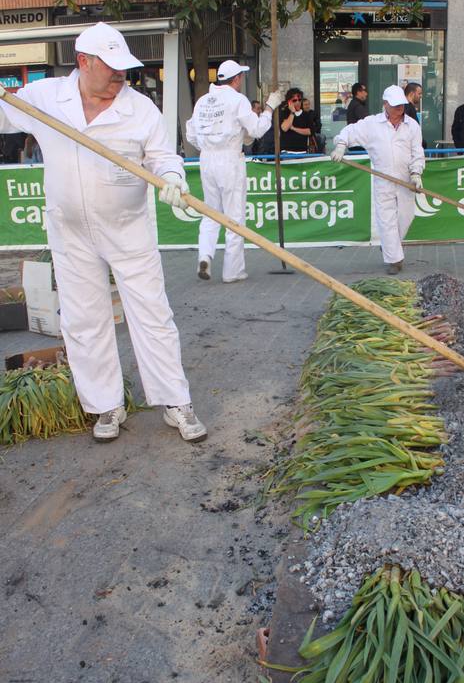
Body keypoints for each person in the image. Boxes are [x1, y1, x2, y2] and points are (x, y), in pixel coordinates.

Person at [0, 22, 206, 443]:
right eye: (111, 69)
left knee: (151, 312)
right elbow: (5, 114)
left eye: (124, 69)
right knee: (83, 318)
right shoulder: (46, 97)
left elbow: (163, 156)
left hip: (126, 228)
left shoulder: (139, 109)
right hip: (69, 228)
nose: (120, 77)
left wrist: (172, 179)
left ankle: (174, 402)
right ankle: (105, 406)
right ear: (83, 63)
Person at [186, 60, 282, 282]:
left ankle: (205, 256)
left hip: (207, 159)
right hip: (229, 159)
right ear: (236, 79)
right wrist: (269, 108)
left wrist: (213, 145)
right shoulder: (237, 100)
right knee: (234, 217)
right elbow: (257, 130)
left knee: (210, 212)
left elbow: (192, 134)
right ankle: (233, 271)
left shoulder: (202, 101)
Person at [330, 85, 424, 274]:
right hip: (383, 179)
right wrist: (341, 145)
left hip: (406, 179)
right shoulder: (372, 124)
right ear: (385, 104)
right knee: (386, 220)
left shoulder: (412, 125)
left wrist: (416, 173)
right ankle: (394, 260)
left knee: (405, 217)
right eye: (396, 105)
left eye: (402, 105)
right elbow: (350, 131)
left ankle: (391, 245)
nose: (400, 109)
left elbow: (417, 151)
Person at [279, 88, 312, 154]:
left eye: (299, 100)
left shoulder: (306, 114)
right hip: (287, 152)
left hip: (302, 151)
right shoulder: (284, 112)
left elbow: (309, 131)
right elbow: (284, 128)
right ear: (289, 102)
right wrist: (292, 113)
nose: (298, 102)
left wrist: (293, 128)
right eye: (294, 100)